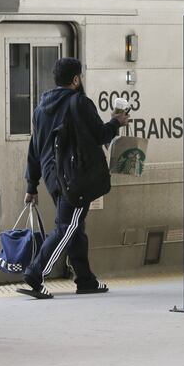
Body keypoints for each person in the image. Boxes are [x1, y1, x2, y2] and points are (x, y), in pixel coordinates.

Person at [18, 57, 129, 299]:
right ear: (76, 79)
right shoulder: (79, 103)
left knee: (75, 226)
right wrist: (116, 122)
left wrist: (32, 184)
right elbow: (100, 135)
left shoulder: (41, 109)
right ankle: (36, 274)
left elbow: (34, 148)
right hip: (75, 177)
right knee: (67, 227)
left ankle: (86, 280)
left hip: (52, 177)